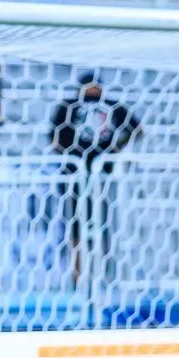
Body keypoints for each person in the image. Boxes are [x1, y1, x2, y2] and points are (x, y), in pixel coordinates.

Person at [49, 71, 142, 281]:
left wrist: (115, 150)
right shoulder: (68, 106)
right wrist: (69, 156)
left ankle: (101, 274)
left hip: (101, 175)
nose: (94, 89)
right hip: (74, 175)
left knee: (101, 223)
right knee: (75, 225)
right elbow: (54, 139)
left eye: (96, 85)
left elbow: (137, 129)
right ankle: (78, 275)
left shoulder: (111, 105)